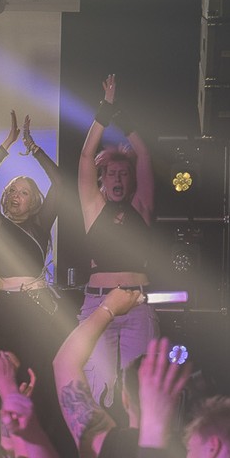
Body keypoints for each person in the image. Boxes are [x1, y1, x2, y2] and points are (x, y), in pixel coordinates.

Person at [74, 75, 157, 406]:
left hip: (136, 304)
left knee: (138, 392)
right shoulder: (94, 208)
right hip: (99, 304)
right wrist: (104, 111)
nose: (118, 178)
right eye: (112, 174)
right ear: (103, 180)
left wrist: (122, 117)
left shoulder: (141, 206)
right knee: (99, 390)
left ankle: (139, 441)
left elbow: (144, 154)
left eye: (124, 174)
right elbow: (85, 157)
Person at [0, 110, 65, 373]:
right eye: (13, 190)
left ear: (34, 201)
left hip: (35, 305)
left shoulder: (40, 225)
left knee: (34, 372)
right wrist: (7, 143)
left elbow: (60, 182)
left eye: (24, 192)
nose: (16, 196)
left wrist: (33, 147)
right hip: (1, 306)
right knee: (0, 374)